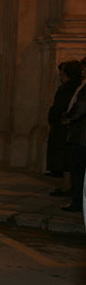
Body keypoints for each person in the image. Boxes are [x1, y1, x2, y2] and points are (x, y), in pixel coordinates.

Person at [46, 61, 82, 193]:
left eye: (61, 73)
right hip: (67, 126)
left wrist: (63, 118)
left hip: (65, 127)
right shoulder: (75, 86)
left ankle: (68, 187)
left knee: (66, 158)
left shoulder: (68, 88)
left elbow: (67, 108)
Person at [61, 62, 86, 212]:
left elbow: (81, 106)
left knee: (78, 169)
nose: (83, 71)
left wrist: (68, 118)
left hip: (82, 136)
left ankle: (77, 201)